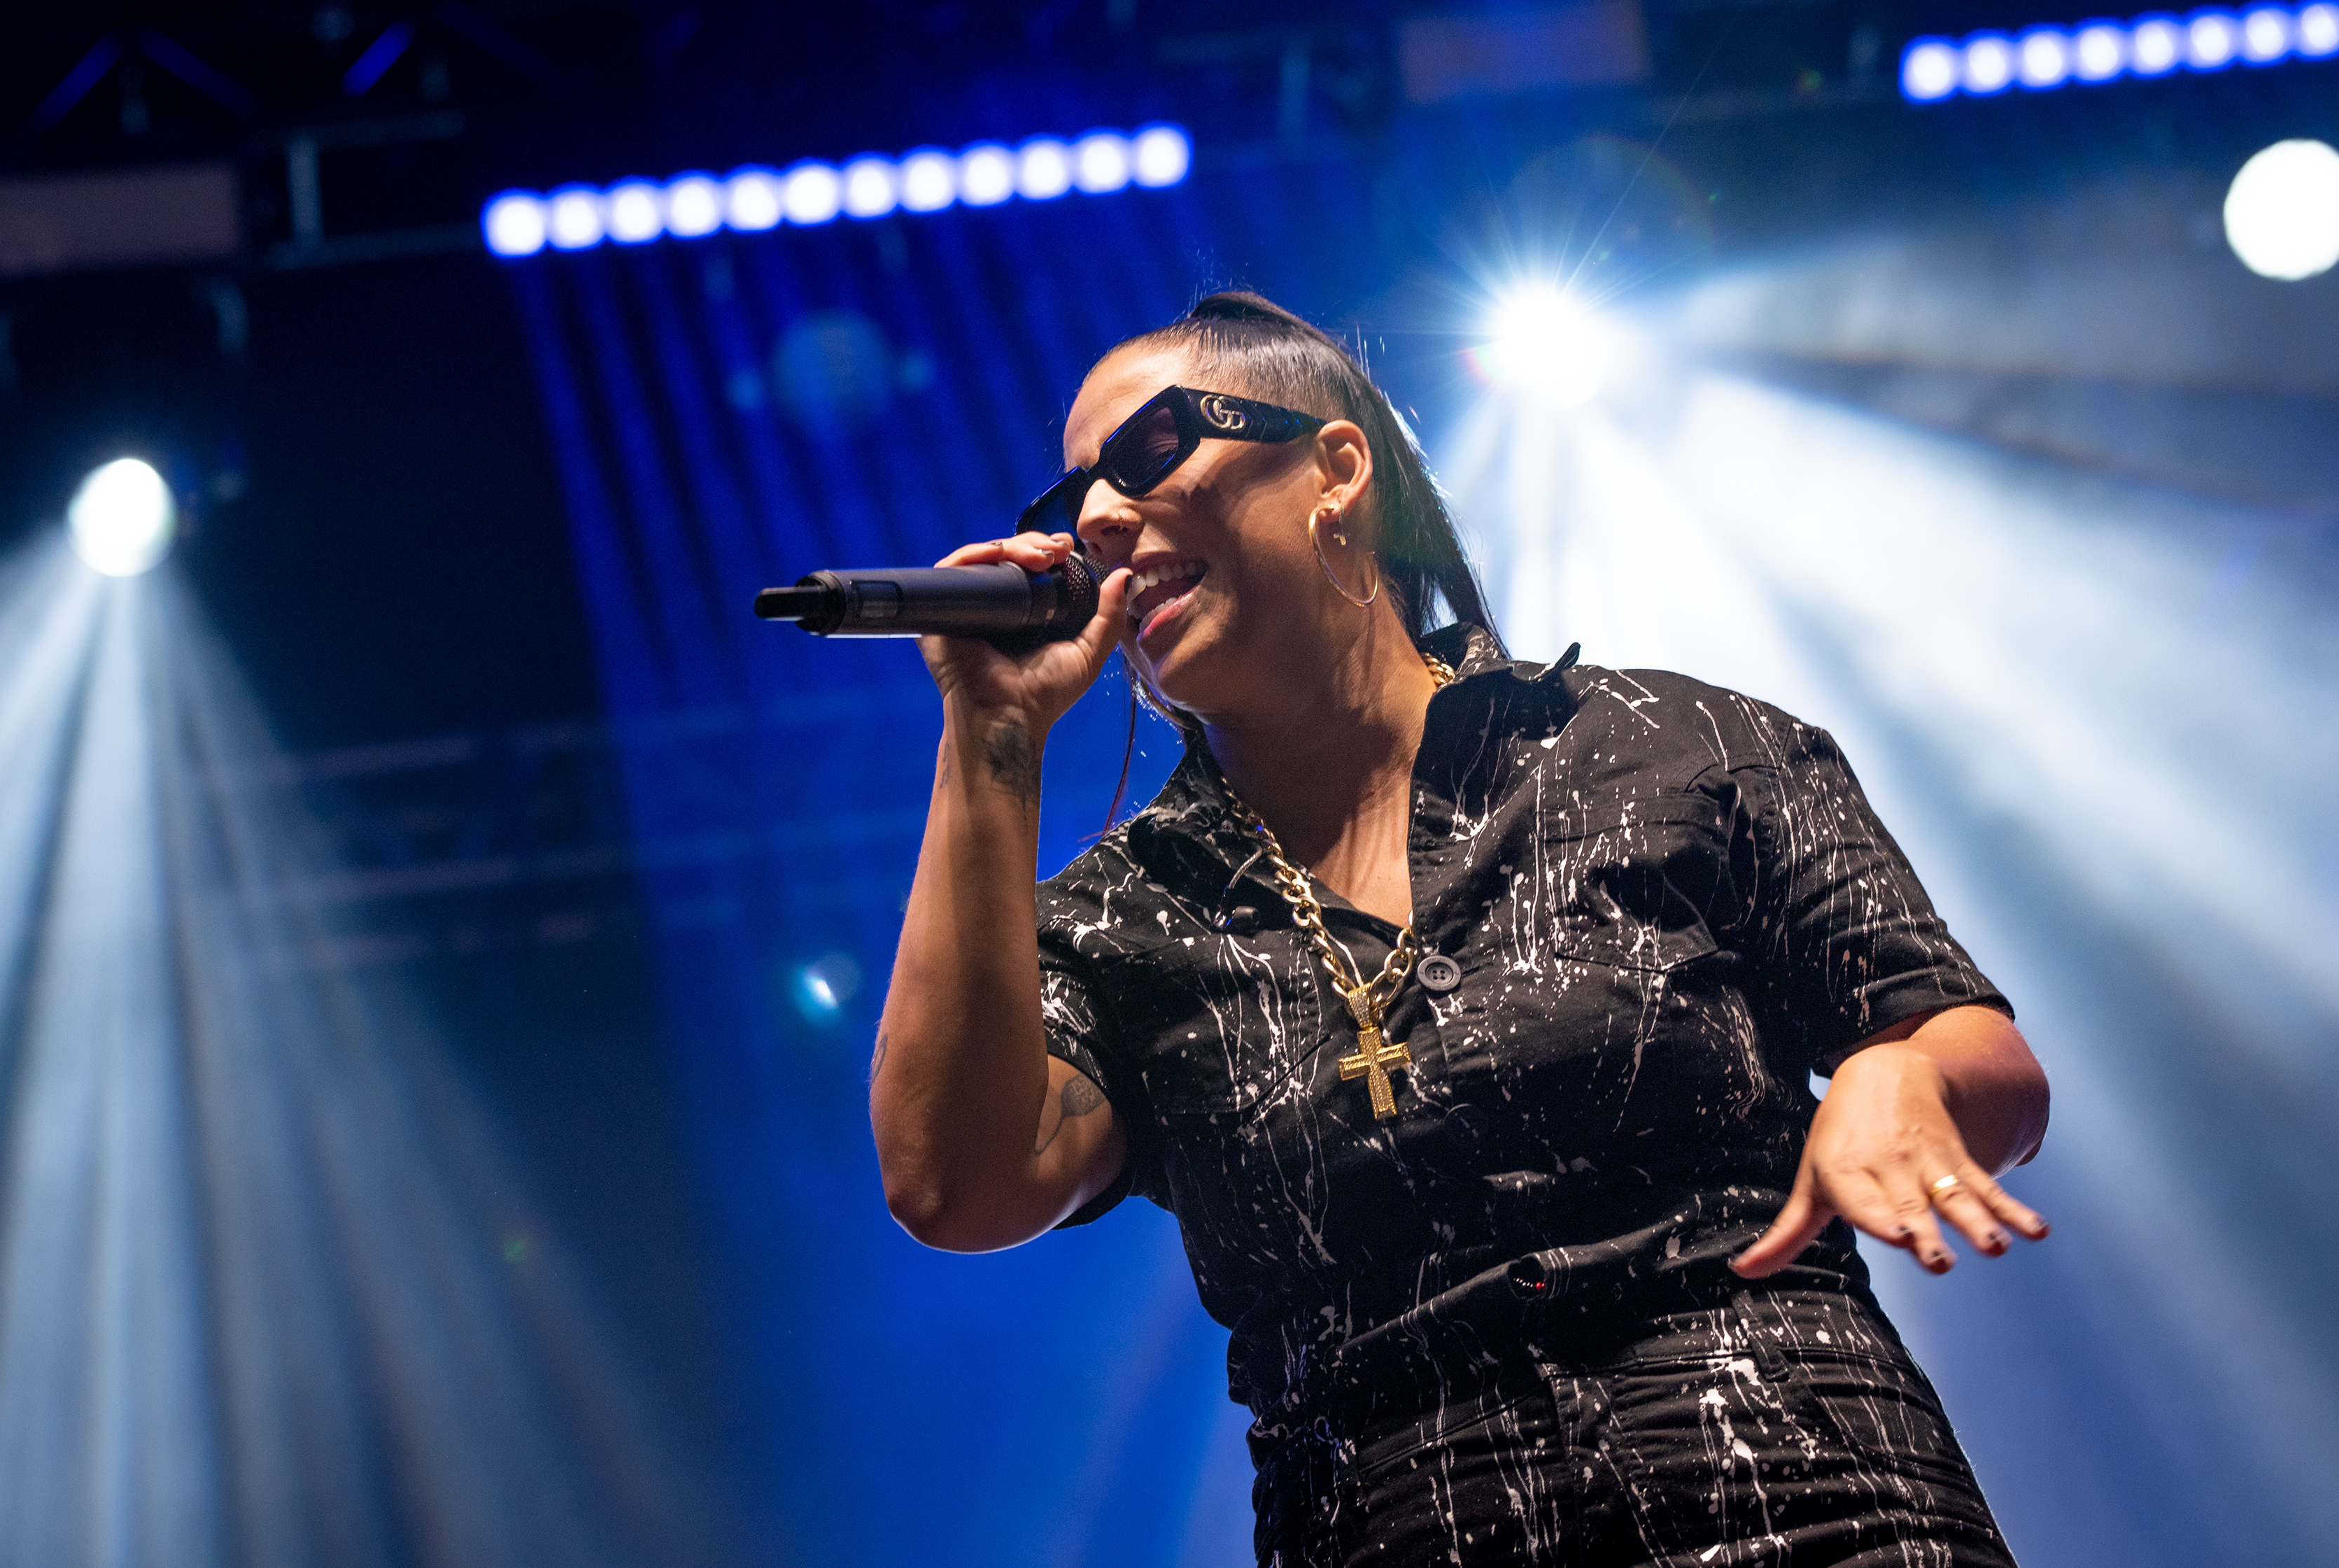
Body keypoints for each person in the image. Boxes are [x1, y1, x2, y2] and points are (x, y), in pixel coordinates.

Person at [869, 291, 2051, 1567]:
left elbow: (1979, 1057)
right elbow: (958, 1187)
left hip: (1815, 1502)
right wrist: (989, 740)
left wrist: (1901, 1074)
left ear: (1336, 470)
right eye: (1076, 498)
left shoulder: (1673, 746)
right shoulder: (1122, 917)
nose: (1099, 517)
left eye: (1150, 451)